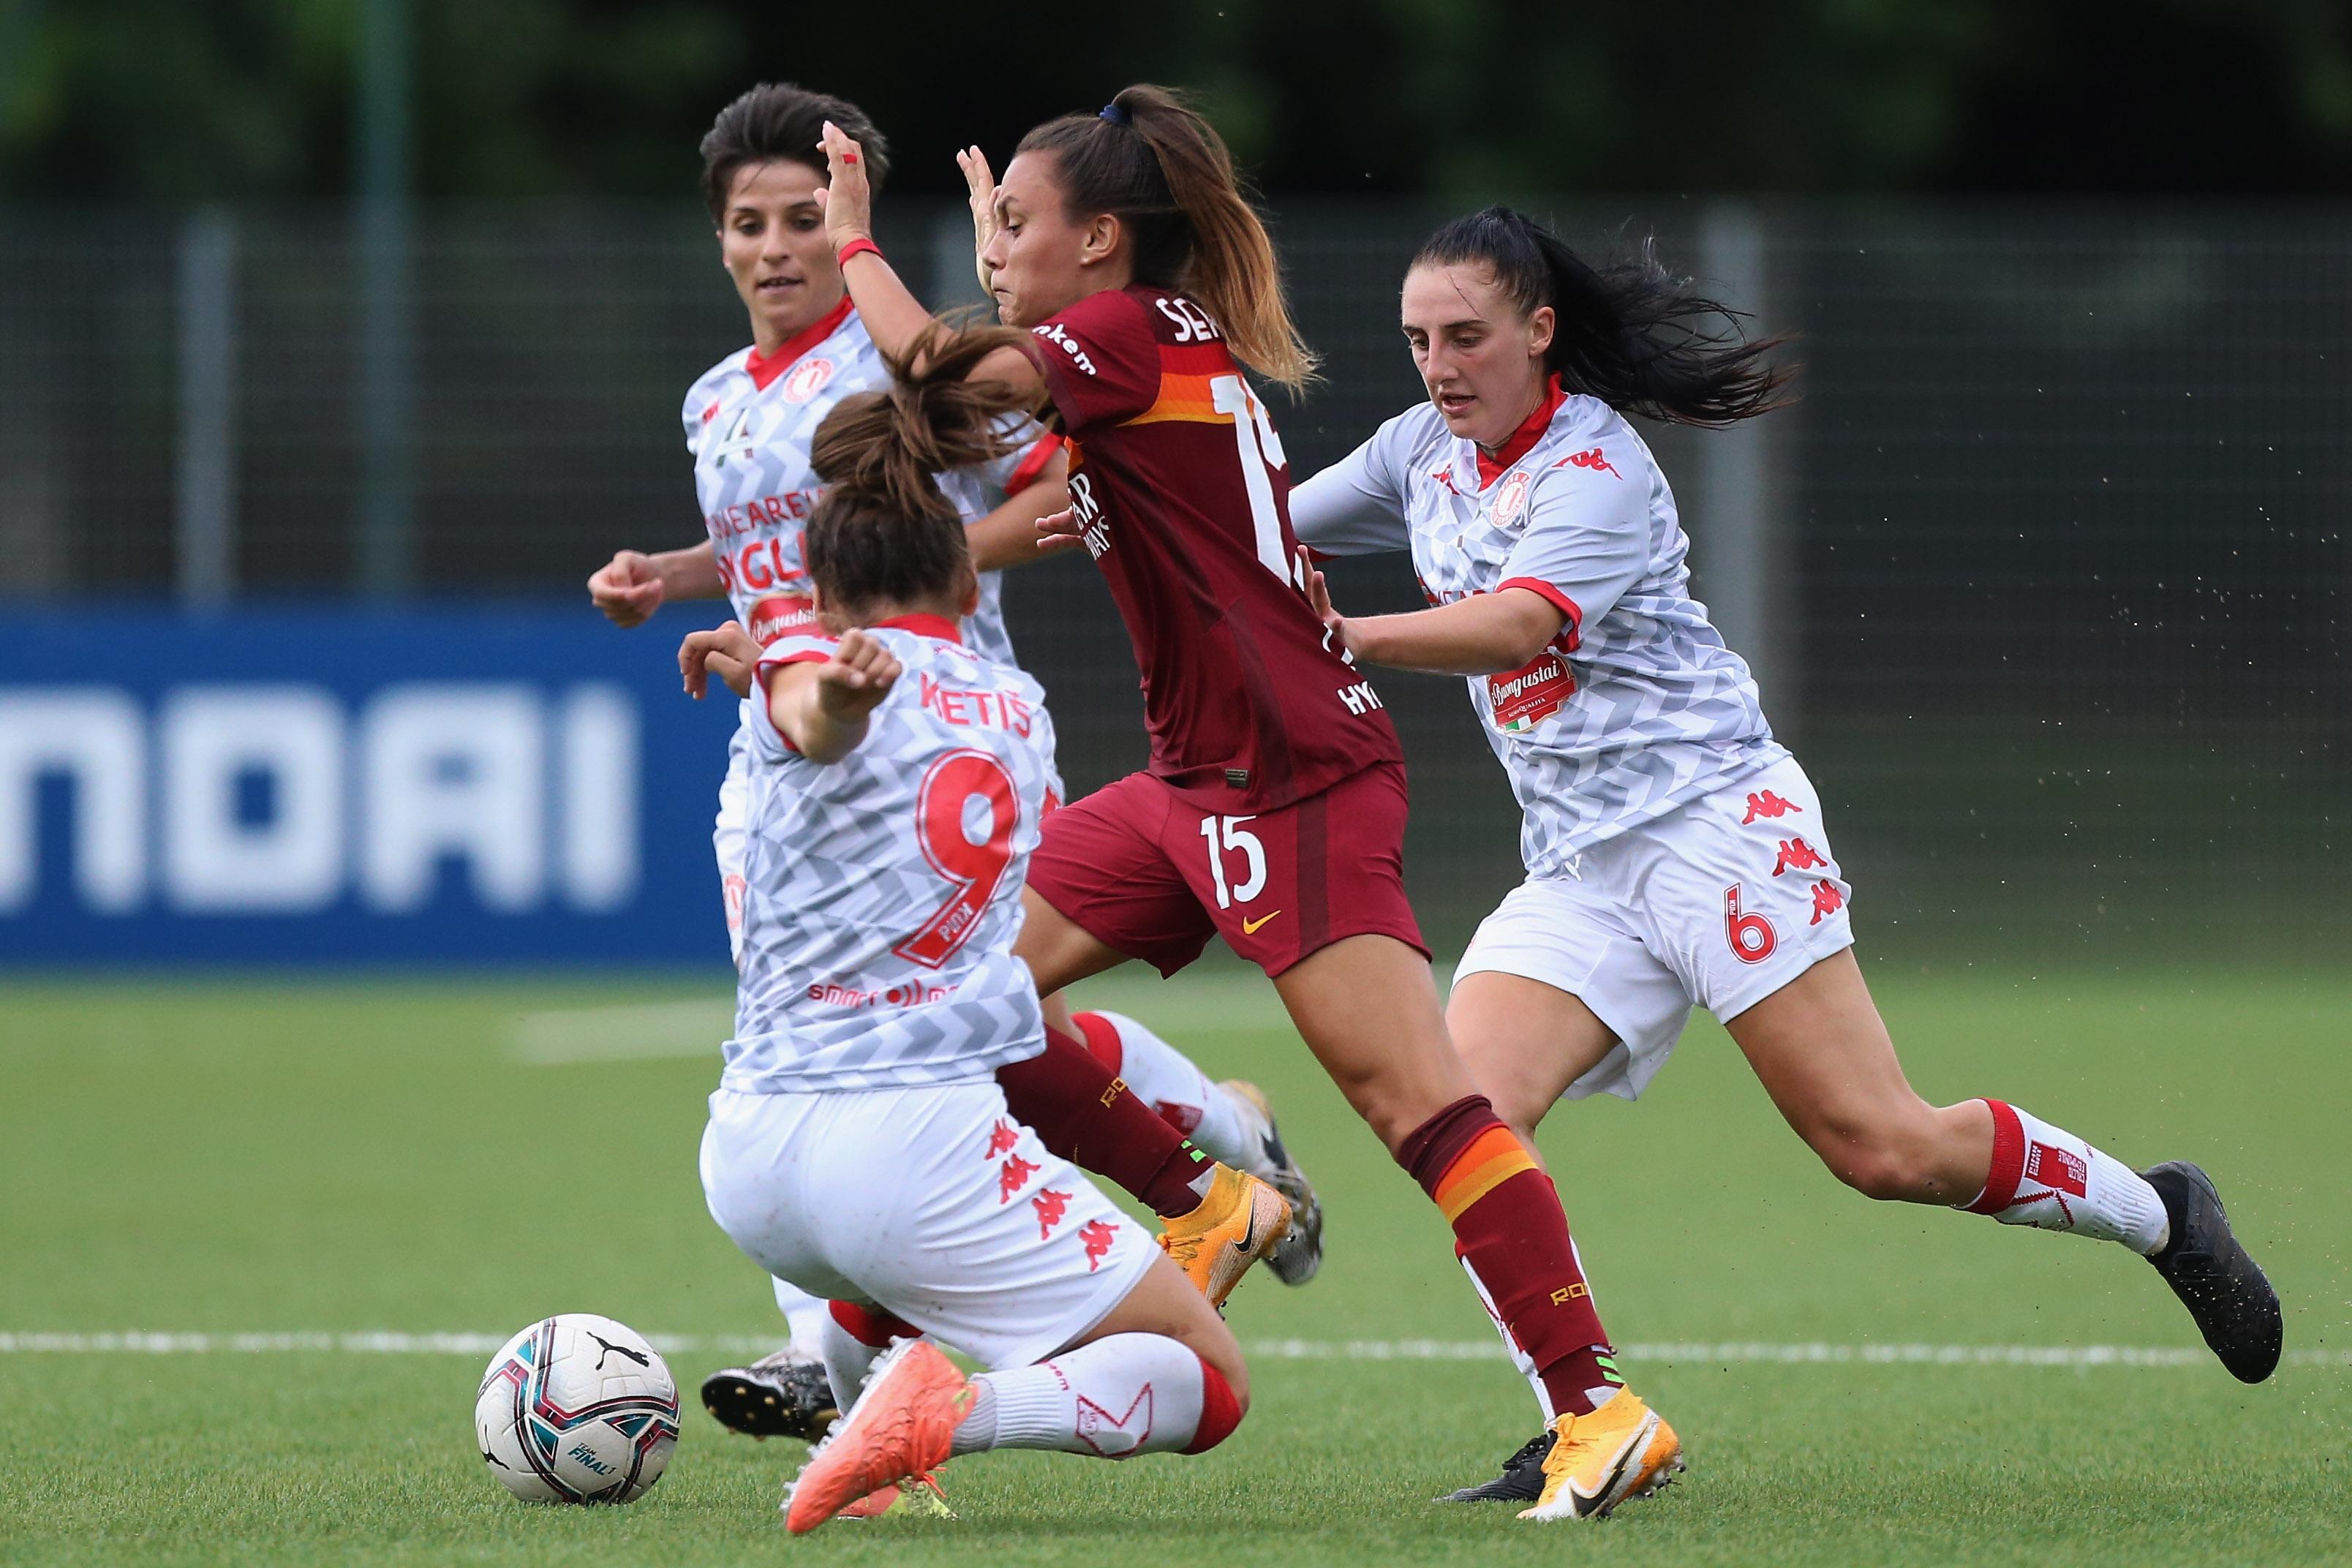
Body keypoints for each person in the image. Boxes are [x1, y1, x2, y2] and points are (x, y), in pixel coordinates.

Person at [1281, 204, 2283, 1501]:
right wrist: (1102, 502)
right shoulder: (1418, 447)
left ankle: (2166, 1217)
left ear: (1539, 332)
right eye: (1418, 340)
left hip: (1715, 831)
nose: (1438, 366)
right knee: (1457, 1121)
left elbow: (1518, 625)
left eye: (1465, 336)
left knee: (1880, 1146)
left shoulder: (1597, 469)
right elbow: (1265, 533)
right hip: (1581, 868)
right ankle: (1589, 1421)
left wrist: (1338, 637)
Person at [815, 86, 1681, 1523]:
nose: (1000, 249)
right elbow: (997, 439)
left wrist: (858, 240)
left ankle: (1601, 1409)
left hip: (1294, 780)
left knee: (1421, 1102)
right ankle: (1204, 1194)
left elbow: (927, 356)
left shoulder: (1118, 335)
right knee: (947, 999)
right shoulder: (1121, 349)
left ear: (1100, 240)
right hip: (1191, 783)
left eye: (1017, 227)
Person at [586, 82, 1310, 1452]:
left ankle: (1198, 1152)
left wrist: (898, 579)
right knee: (844, 1038)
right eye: (751, 223)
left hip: (933, 737)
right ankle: (1197, 1149)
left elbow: (1057, 490)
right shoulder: (713, 400)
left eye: (808, 216)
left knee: (959, 1018)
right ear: (721, 242)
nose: (779, 245)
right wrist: (674, 580)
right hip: (786, 734)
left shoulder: (895, 357)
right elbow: (768, 540)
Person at [687, 322, 1251, 1534]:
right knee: (1205, 1380)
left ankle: (856, 1427)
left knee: (878, 1290)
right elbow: (832, 714)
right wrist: (821, 693)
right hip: (909, 1150)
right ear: (965, 579)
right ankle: (948, 1419)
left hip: (751, 1165)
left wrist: (805, 685)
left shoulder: (793, 674)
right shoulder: (1017, 705)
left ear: (820, 590)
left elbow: (810, 712)